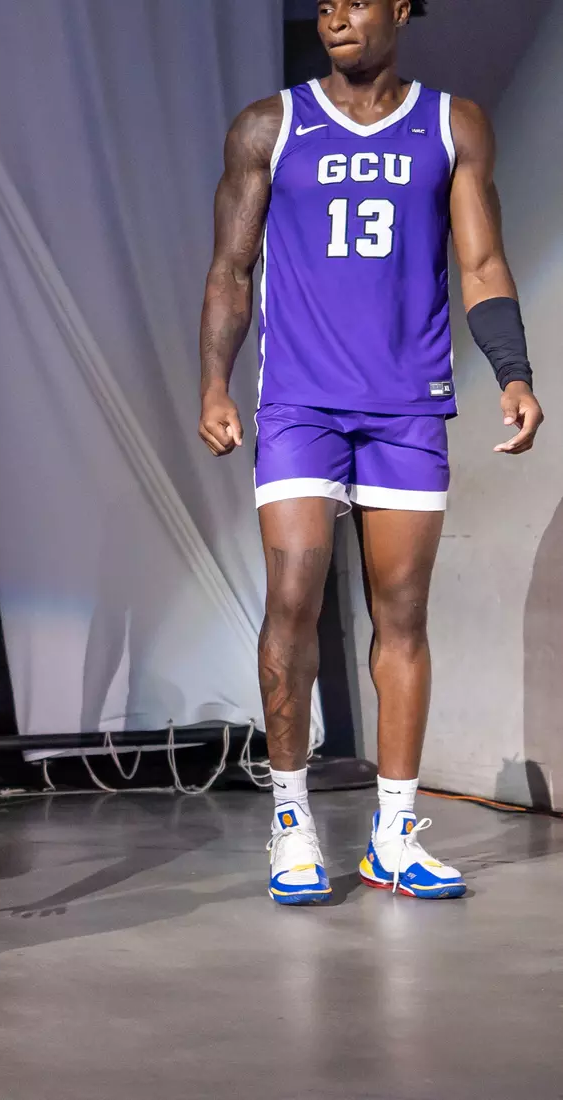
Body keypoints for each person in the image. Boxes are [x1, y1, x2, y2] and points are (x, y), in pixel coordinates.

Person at [198, 0, 542, 904]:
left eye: (354, 0)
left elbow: (482, 262)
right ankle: (291, 821)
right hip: (302, 403)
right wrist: (213, 384)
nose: (334, 16)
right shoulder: (270, 125)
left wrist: (512, 372)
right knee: (294, 600)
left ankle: (392, 834)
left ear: (401, 8)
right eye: (322, 5)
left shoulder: (451, 123)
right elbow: (232, 269)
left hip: (405, 406)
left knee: (403, 615)